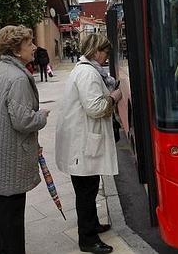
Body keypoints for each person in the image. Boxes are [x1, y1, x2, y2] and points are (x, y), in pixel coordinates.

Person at [0, 26, 50, 254]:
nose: (34, 48)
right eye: (29, 44)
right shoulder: (18, 78)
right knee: (12, 215)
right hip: (9, 157)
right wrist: (41, 117)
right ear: (16, 50)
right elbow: (23, 121)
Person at [54, 33, 122, 254]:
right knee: (85, 192)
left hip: (83, 143)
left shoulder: (87, 71)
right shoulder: (88, 74)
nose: (106, 56)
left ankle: (92, 226)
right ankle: (88, 239)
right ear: (95, 51)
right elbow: (95, 108)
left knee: (90, 189)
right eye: (105, 51)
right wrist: (114, 97)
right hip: (82, 145)